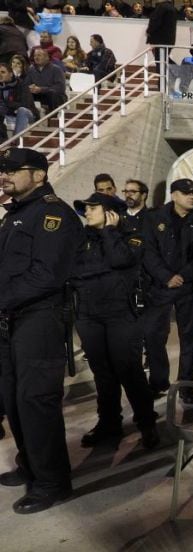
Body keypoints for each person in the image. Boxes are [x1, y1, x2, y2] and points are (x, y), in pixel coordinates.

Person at [0, 147, 83, 514]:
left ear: (38, 175)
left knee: (36, 401)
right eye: (3, 170)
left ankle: (53, 482)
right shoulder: (17, 215)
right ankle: (31, 465)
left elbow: (47, 275)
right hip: (12, 319)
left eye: (13, 170)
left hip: (40, 319)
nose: (5, 176)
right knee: (13, 399)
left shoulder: (53, 214)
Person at [71, 192, 159, 449]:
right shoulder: (81, 239)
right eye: (85, 208)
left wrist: (109, 233)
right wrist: (100, 270)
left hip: (120, 314)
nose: (86, 212)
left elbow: (121, 260)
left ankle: (147, 424)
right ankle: (109, 424)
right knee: (102, 374)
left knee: (129, 370)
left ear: (111, 213)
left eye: (92, 208)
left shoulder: (132, 235)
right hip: (88, 315)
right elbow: (74, 272)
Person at [142, 178, 193, 403]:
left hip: (189, 288)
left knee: (189, 338)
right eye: (186, 193)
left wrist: (186, 274)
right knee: (154, 336)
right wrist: (166, 277)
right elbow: (148, 252)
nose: (192, 196)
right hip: (160, 287)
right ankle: (158, 382)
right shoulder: (153, 218)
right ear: (173, 195)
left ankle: (186, 387)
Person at [0, 62, 37, 143]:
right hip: (8, 114)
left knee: (22, 110)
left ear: (10, 74)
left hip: (27, 114)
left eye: (3, 72)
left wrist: (6, 103)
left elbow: (25, 104)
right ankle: (3, 141)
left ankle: (15, 142)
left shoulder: (21, 85)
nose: (0, 75)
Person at [24, 48, 66, 113]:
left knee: (52, 94)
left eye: (39, 55)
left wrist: (41, 89)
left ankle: (52, 119)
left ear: (47, 57)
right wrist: (30, 87)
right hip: (37, 95)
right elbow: (26, 84)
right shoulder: (31, 69)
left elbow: (60, 88)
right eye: (35, 55)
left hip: (53, 96)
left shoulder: (56, 69)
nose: (36, 57)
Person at [145, 0, 177, 70]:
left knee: (160, 61)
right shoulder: (172, 8)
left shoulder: (161, 7)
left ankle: (162, 79)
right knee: (164, 59)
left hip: (160, 40)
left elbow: (155, 22)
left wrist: (148, 31)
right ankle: (178, 71)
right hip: (169, 40)